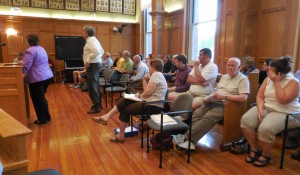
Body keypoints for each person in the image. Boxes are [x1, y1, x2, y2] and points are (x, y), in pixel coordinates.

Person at [172, 57, 249, 150]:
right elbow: (217, 90)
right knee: (196, 114)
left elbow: (243, 98)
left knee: (207, 117)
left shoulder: (243, 79)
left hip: (226, 105)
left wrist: (224, 97)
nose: (230, 67)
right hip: (212, 100)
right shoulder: (224, 77)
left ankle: (185, 138)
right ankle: (190, 140)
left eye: (233, 65)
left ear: (239, 67)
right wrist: (208, 98)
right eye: (228, 65)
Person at [240, 56, 300, 167]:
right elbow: (260, 97)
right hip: (267, 107)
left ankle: (265, 155)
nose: (267, 72)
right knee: (246, 120)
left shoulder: (294, 82)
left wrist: (276, 82)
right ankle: (254, 149)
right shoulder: (268, 79)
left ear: (280, 74)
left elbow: (283, 100)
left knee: (265, 128)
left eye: (270, 71)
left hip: (287, 113)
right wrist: (260, 109)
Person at [91, 59, 168, 142]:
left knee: (125, 110)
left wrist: (140, 96)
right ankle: (107, 117)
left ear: (153, 67)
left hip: (153, 106)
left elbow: (148, 93)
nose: (148, 68)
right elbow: (147, 92)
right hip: (149, 103)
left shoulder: (156, 75)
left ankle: (119, 134)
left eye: (149, 66)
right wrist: (144, 80)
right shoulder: (158, 75)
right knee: (125, 100)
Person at [22, 34, 54, 125]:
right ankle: (46, 116)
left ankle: (43, 119)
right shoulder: (41, 48)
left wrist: (22, 75)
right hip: (47, 76)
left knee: (37, 99)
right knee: (41, 98)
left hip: (37, 78)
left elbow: (26, 66)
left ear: (28, 42)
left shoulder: (29, 51)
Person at [82, 26, 104, 114]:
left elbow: (98, 52)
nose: (82, 33)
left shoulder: (91, 41)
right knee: (95, 85)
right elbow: (101, 51)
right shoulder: (94, 40)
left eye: (83, 32)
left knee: (92, 86)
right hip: (95, 64)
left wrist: (88, 60)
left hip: (93, 65)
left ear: (87, 33)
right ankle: (98, 104)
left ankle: (96, 106)